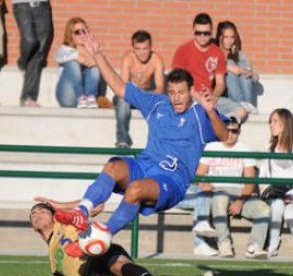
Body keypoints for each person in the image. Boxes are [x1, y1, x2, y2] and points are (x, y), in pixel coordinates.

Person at [53, 27, 230, 257]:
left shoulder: (200, 115)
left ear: (191, 92)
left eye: (182, 92)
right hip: (144, 165)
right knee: (114, 165)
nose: (176, 97)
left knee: (135, 189)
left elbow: (225, 135)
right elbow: (118, 87)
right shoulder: (157, 104)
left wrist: (212, 111)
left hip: (171, 180)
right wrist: (98, 55)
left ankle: (104, 234)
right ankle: (82, 211)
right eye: (173, 92)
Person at [194, 117, 270, 259]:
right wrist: (204, 182)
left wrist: (240, 201)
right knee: (220, 197)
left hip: (239, 193)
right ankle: (224, 244)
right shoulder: (211, 147)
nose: (230, 134)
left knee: (264, 209)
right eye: (226, 130)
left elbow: (250, 182)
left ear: (239, 131)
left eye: (234, 131)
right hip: (217, 191)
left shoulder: (244, 150)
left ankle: (254, 246)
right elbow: (199, 175)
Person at [30, 200, 152, 276]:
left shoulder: (64, 221)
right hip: (88, 271)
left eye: (42, 211)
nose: (37, 215)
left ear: (53, 214)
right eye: (33, 214)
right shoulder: (52, 257)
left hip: (98, 252)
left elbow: (98, 205)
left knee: (117, 266)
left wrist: (59, 206)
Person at [171, 13, 248, 122]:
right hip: (189, 98)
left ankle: (222, 124)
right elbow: (176, 83)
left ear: (211, 31)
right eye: (198, 33)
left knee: (241, 111)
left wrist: (212, 96)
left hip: (209, 98)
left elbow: (220, 83)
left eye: (206, 33)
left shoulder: (216, 52)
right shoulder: (183, 50)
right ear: (193, 30)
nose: (202, 37)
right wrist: (195, 95)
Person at [259, 108, 293, 257]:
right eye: (271, 121)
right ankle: (272, 245)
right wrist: (263, 188)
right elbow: (263, 174)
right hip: (275, 192)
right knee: (276, 206)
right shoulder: (270, 147)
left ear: (285, 123)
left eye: (275, 121)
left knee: (290, 214)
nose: (272, 125)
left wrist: (292, 195)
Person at [114, 30, 165, 148]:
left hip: (147, 95)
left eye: (145, 48)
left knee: (163, 102)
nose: (142, 53)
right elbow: (124, 88)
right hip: (130, 96)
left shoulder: (156, 60)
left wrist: (145, 95)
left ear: (150, 47)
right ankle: (123, 140)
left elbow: (160, 88)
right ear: (133, 49)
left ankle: (160, 143)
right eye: (138, 49)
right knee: (122, 101)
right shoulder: (128, 59)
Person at [13, 0, 53, 107]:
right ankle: (23, 63)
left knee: (39, 52)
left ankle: (28, 97)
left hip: (43, 5)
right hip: (22, 5)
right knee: (29, 40)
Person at [55, 17, 100, 108]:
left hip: (89, 101)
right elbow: (58, 57)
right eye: (77, 32)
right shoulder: (65, 49)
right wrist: (76, 56)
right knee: (73, 63)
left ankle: (90, 97)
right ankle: (80, 96)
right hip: (68, 96)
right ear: (70, 35)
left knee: (96, 64)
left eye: (84, 31)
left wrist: (96, 60)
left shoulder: (94, 49)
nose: (81, 35)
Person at [215, 21, 259, 114]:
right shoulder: (213, 53)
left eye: (232, 37)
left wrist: (250, 74)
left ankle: (246, 103)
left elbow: (256, 78)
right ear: (220, 37)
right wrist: (229, 67)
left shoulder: (238, 54)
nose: (229, 41)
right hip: (222, 97)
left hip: (239, 96)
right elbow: (210, 66)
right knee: (231, 63)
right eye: (226, 37)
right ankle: (241, 103)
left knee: (243, 65)